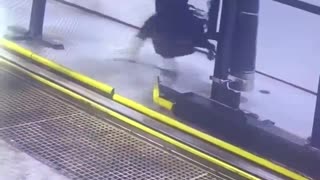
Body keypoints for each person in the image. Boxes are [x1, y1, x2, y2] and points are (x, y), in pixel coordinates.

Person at [119, 0, 215, 70]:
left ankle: (132, 51)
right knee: (159, 26)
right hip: (172, 33)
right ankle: (132, 51)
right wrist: (208, 46)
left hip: (171, 32)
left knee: (155, 26)